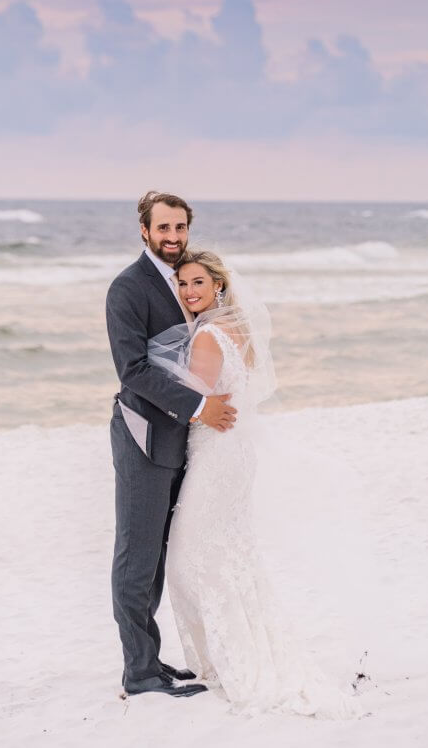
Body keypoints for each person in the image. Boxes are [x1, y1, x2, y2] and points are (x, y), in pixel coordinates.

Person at [147, 250, 361, 718]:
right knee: (227, 552)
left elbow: (192, 402)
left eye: (198, 282)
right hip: (235, 453)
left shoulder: (206, 336)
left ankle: (228, 661)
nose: (189, 292)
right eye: (183, 285)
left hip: (216, 454)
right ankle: (236, 650)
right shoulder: (236, 329)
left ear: (217, 285)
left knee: (189, 560)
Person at [105, 192, 236, 698]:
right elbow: (132, 371)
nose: (173, 237)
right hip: (144, 435)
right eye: (163, 228)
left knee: (158, 556)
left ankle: (151, 661)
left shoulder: (185, 281)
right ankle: (138, 673)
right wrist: (203, 408)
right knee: (136, 556)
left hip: (183, 439)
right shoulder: (128, 288)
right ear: (144, 230)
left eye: (180, 228)